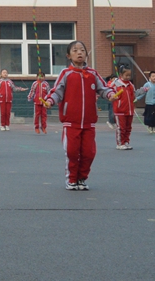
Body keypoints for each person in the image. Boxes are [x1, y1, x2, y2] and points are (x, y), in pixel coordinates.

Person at [48, 40, 114, 191]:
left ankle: (82, 178)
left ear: (86, 54)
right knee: (72, 152)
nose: (79, 53)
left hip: (89, 123)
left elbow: (103, 88)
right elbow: (57, 92)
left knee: (89, 153)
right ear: (68, 56)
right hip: (71, 122)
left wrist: (110, 94)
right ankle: (71, 179)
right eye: (75, 50)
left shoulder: (93, 74)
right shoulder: (66, 74)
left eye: (82, 50)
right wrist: (50, 101)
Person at [109, 66, 136, 150]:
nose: (128, 77)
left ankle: (126, 142)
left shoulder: (130, 85)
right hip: (119, 110)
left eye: (129, 75)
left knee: (128, 127)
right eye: (126, 75)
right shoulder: (115, 84)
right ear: (121, 74)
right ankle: (120, 143)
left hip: (129, 110)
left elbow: (133, 95)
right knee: (121, 128)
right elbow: (109, 90)